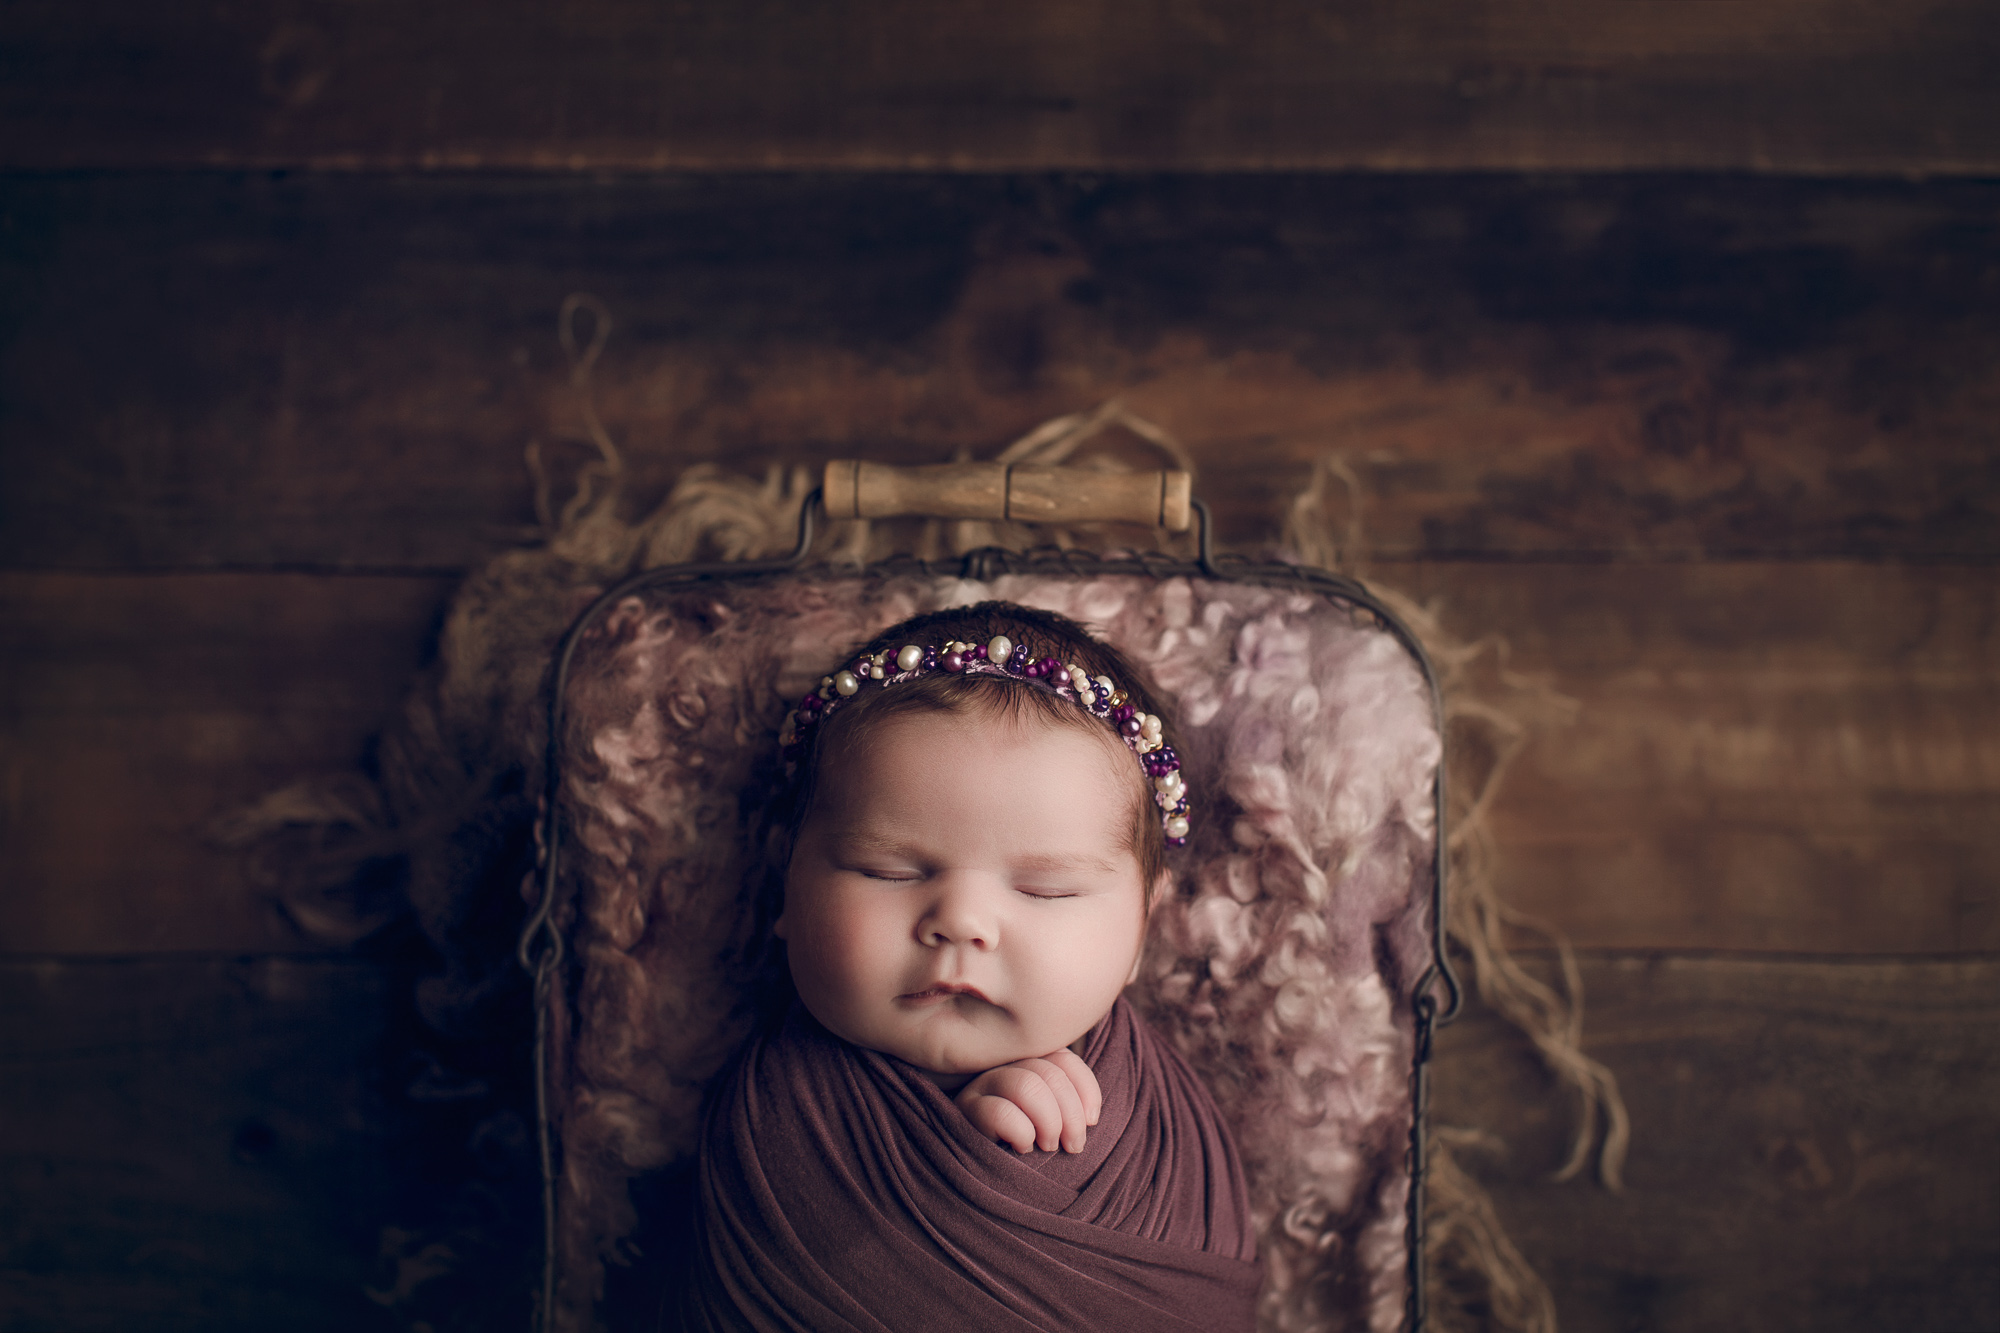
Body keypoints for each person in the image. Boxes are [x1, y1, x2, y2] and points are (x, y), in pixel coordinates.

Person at [677, 602, 1261, 1332]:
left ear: (1144, 924)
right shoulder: (777, 1126)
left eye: (1045, 888)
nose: (961, 920)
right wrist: (957, 1164)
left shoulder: (1163, 1150)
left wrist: (1023, 1167)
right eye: (885, 870)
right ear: (784, 881)